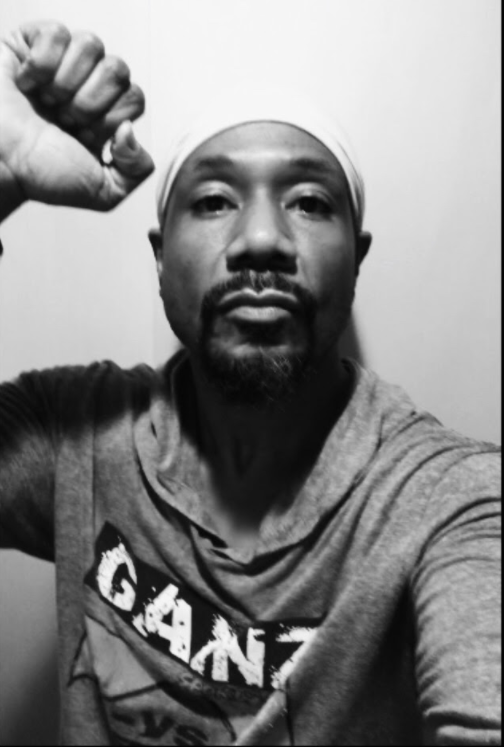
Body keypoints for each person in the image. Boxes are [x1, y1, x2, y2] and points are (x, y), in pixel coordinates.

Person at [0, 20, 500, 747]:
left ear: (356, 259)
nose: (261, 239)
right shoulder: (74, 435)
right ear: (160, 257)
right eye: (212, 201)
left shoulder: (449, 500)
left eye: (309, 202)